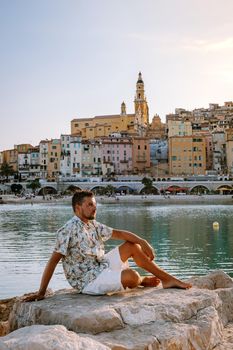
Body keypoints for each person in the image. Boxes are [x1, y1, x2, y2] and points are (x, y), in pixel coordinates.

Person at [24, 190, 191, 301]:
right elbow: (53, 261)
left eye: (95, 205)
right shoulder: (66, 230)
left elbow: (121, 234)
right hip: (87, 281)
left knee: (132, 246)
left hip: (100, 265)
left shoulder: (93, 225)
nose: (94, 208)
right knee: (131, 276)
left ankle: (167, 279)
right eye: (89, 205)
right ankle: (141, 280)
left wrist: (142, 241)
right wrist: (41, 292)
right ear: (77, 208)